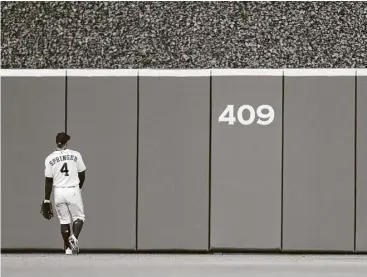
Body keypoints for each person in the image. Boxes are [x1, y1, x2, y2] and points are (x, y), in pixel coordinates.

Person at [43, 132, 86, 255]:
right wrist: (80, 187)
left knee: (64, 220)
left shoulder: (49, 158)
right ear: (66, 143)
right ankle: (74, 237)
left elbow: (48, 180)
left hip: (58, 191)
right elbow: (82, 174)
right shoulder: (75, 155)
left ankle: (68, 248)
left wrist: (46, 199)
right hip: (72, 189)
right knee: (79, 217)